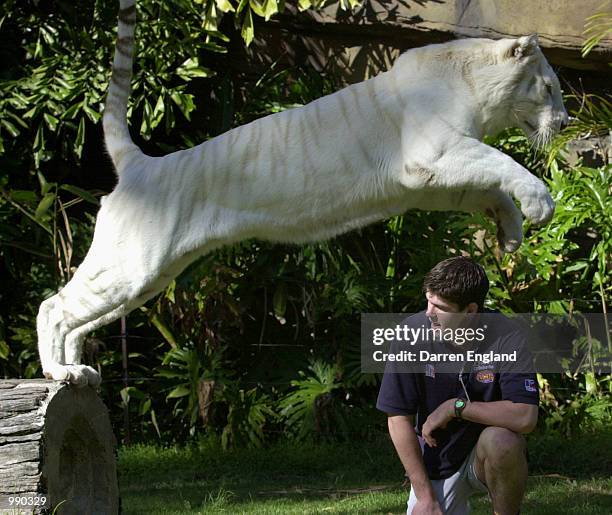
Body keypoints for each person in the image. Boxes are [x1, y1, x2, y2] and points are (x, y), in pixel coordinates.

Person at [376, 256, 538, 515]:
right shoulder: (410, 333)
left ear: (471, 311)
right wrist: (425, 497)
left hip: (484, 454)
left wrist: (455, 407)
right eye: (428, 301)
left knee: (503, 441)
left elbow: (526, 417)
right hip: (438, 457)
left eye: (439, 307)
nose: (429, 313)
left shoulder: (508, 336)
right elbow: (397, 419)